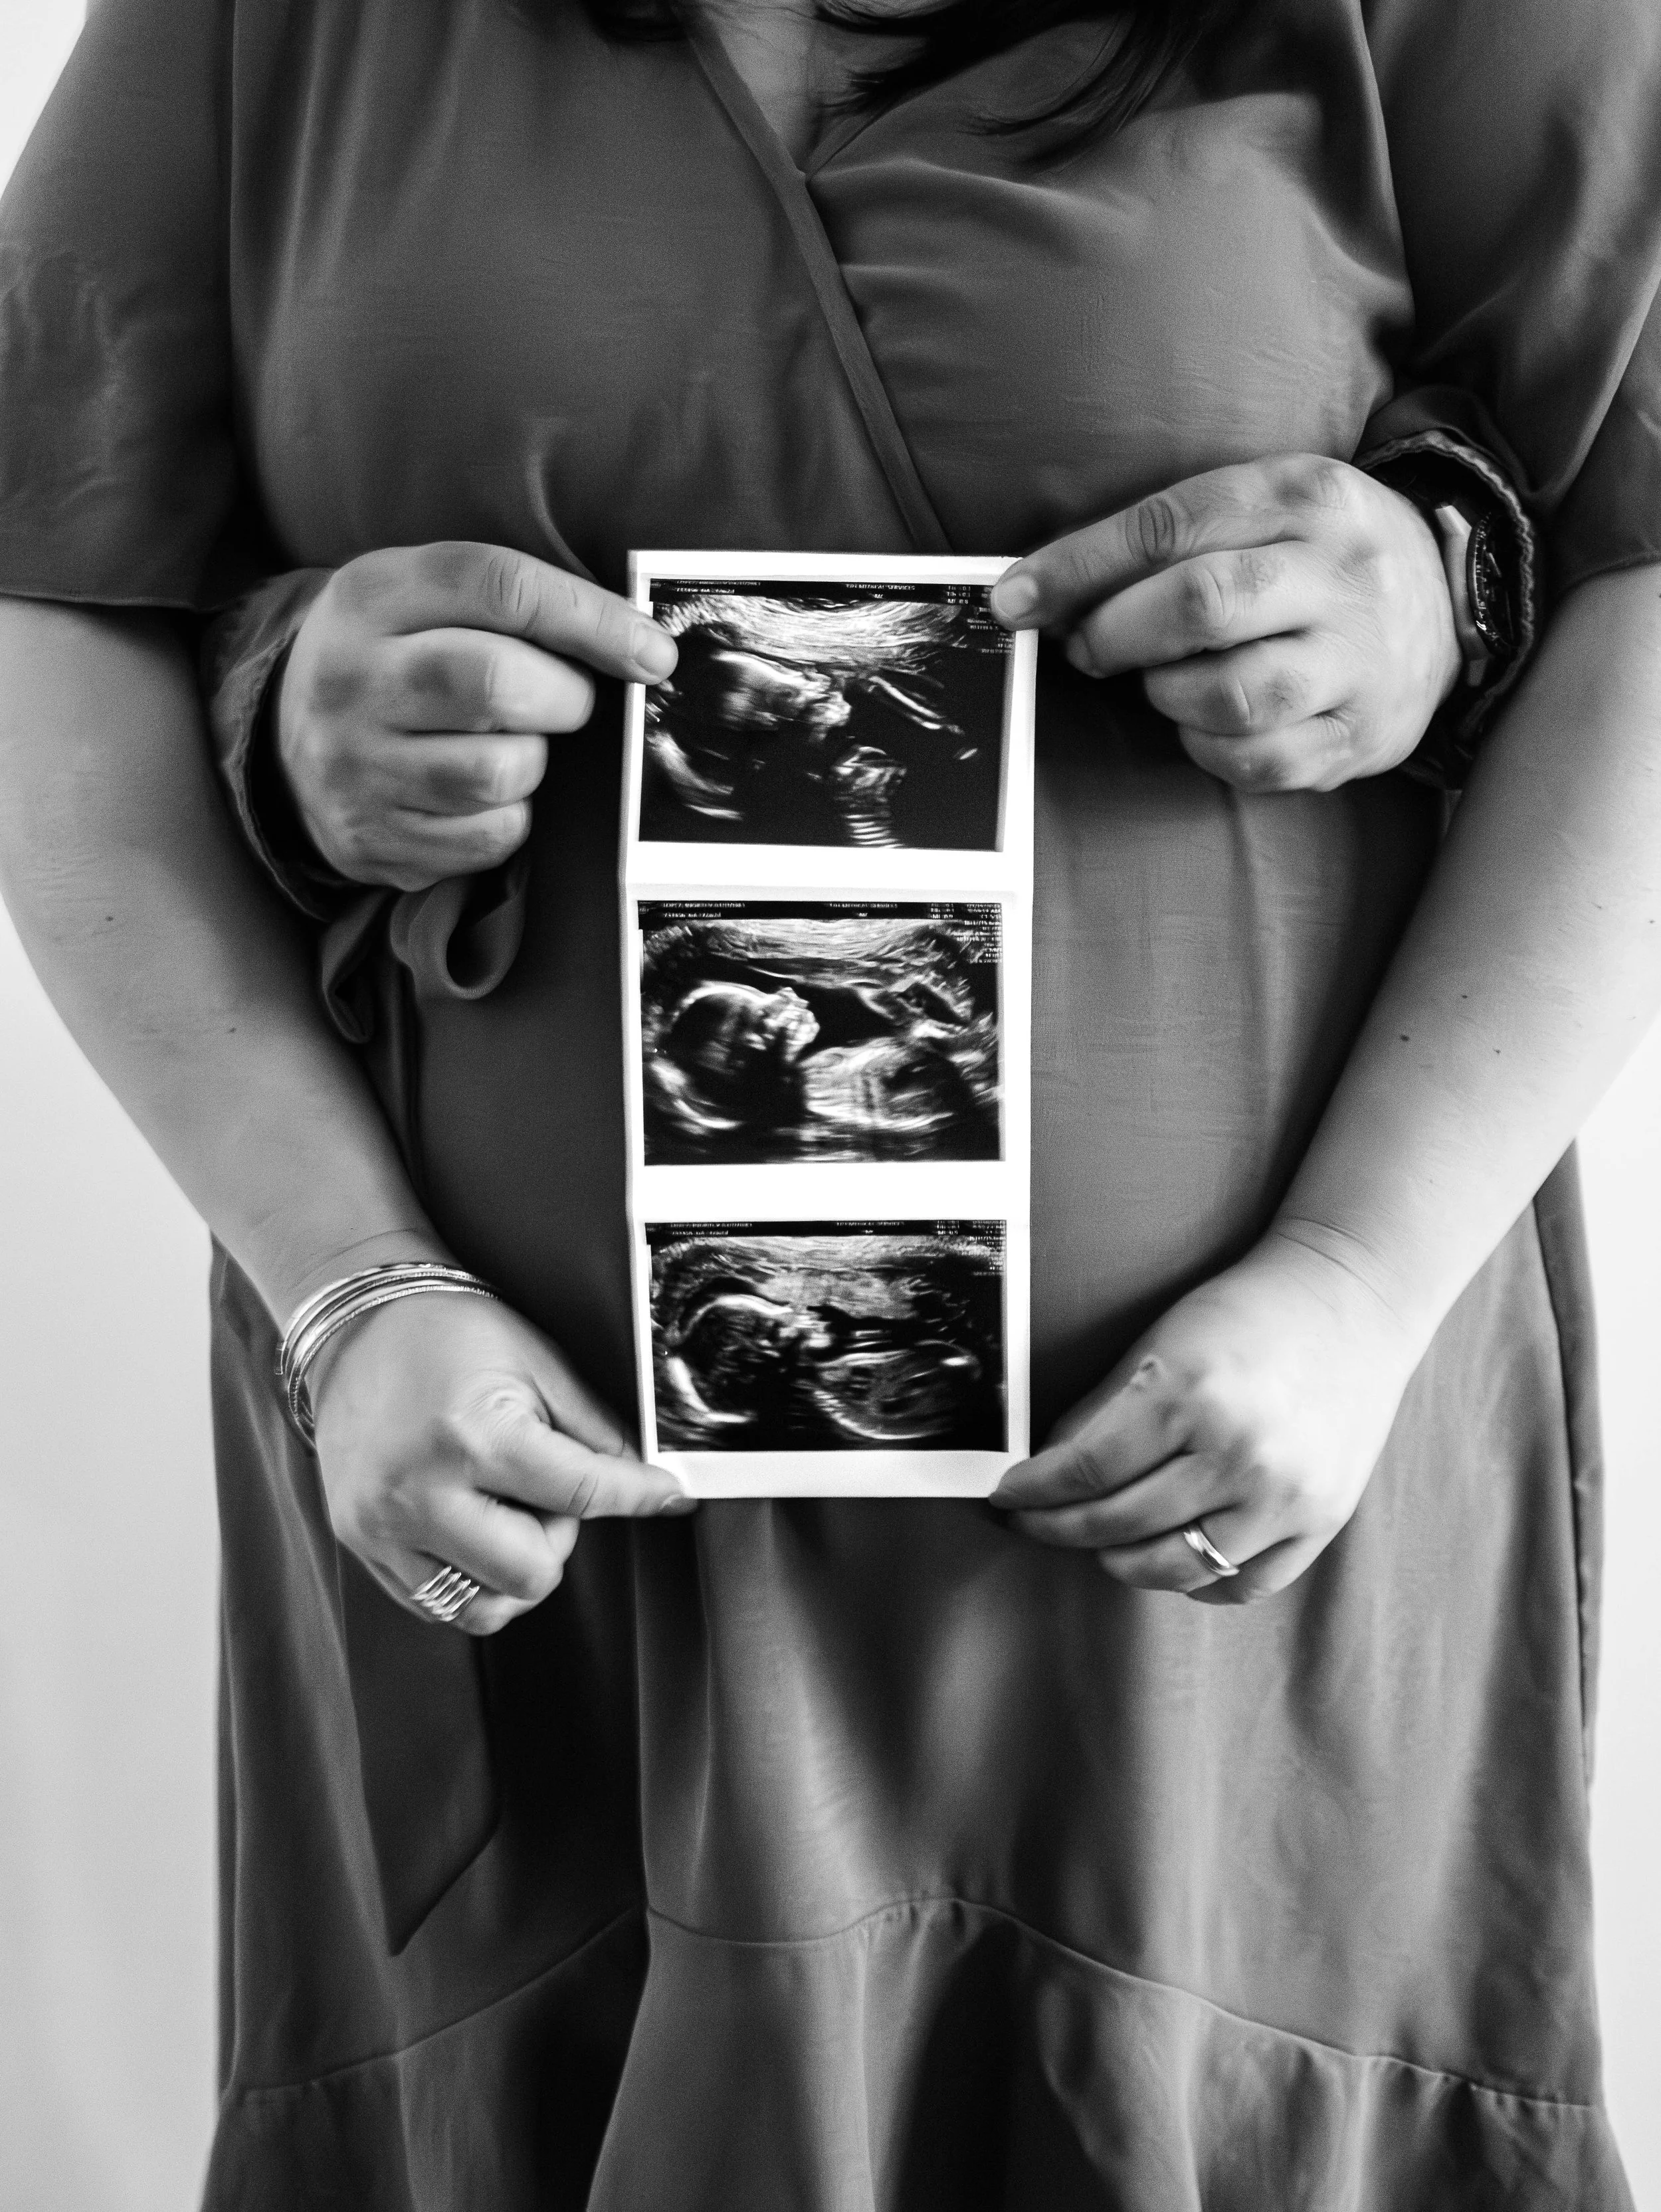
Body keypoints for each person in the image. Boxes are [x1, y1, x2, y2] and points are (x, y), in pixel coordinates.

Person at [1, 0, 1658, 2202]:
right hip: (513, 1514)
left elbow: (1639, 547)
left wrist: (1448, 587)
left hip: (1218, 1525)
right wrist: (342, 1267)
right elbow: (51, 592)